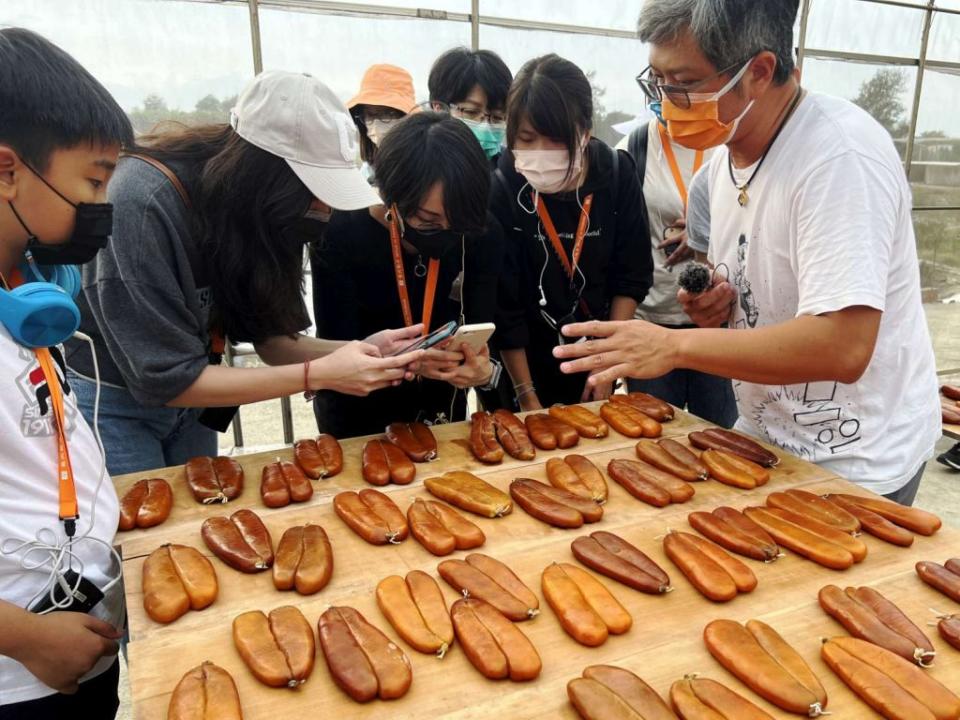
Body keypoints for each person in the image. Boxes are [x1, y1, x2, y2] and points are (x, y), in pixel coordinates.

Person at [554, 0, 940, 505]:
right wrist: (715, 304)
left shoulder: (839, 160)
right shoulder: (719, 166)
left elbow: (844, 345)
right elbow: (744, 280)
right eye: (658, 81)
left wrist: (674, 345)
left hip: (858, 458)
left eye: (685, 83)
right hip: (764, 435)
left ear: (758, 72)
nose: (667, 101)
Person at [65, 70, 423, 476]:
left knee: (200, 512)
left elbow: (275, 344)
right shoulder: (142, 205)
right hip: (116, 402)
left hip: (196, 398)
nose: (324, 208)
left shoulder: (263, 214)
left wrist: (359, 350)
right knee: (137, 531)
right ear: (264, 173)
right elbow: (166, 381)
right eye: (315, 189)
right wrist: (318, 374)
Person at [0, 28, 130, 717]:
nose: (101, 204)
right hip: (20, 668)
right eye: (94, 181)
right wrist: (25, 638)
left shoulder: (24, 287)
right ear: (8, 170)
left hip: (75, 632)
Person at [312, 112, 504, 438]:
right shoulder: (340, 234)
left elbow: (483, 332)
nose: (444, 234)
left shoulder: (481, 234)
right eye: (427, 221)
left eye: (455, 225)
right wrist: (402, 362)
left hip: (442, 418)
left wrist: (484, 372)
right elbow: (335, 346)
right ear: (392, 198)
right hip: (357, 421)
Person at [492, 54, 653, 410]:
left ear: (584, 131)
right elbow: (505, 304)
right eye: (527, 138)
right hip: (521, 360)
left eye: (554, 140)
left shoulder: (615, 173)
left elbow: (632, 276)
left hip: (596, 352)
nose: (539, 153)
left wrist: (606, 367)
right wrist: (525, 395)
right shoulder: (503, 183)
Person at [618, 100, 736, 427]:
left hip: (716, 322)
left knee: (721, 433)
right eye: (659, 79)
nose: (669, 92)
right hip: (653, 316)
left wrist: (702, 232)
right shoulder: (634, 147)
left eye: (682, 80)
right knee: (654, 434)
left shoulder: (729, 146)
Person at [428, 47, 513, 163]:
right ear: (439, 109)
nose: (485, 128)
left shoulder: (510, 172)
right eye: (471, 112)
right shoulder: (413, 166)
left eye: (497, 117)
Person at [347, 64, 417, 183]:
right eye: (369, 115)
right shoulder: (367, 172)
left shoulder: (427, 165)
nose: (376, 125)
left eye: (387, 113)